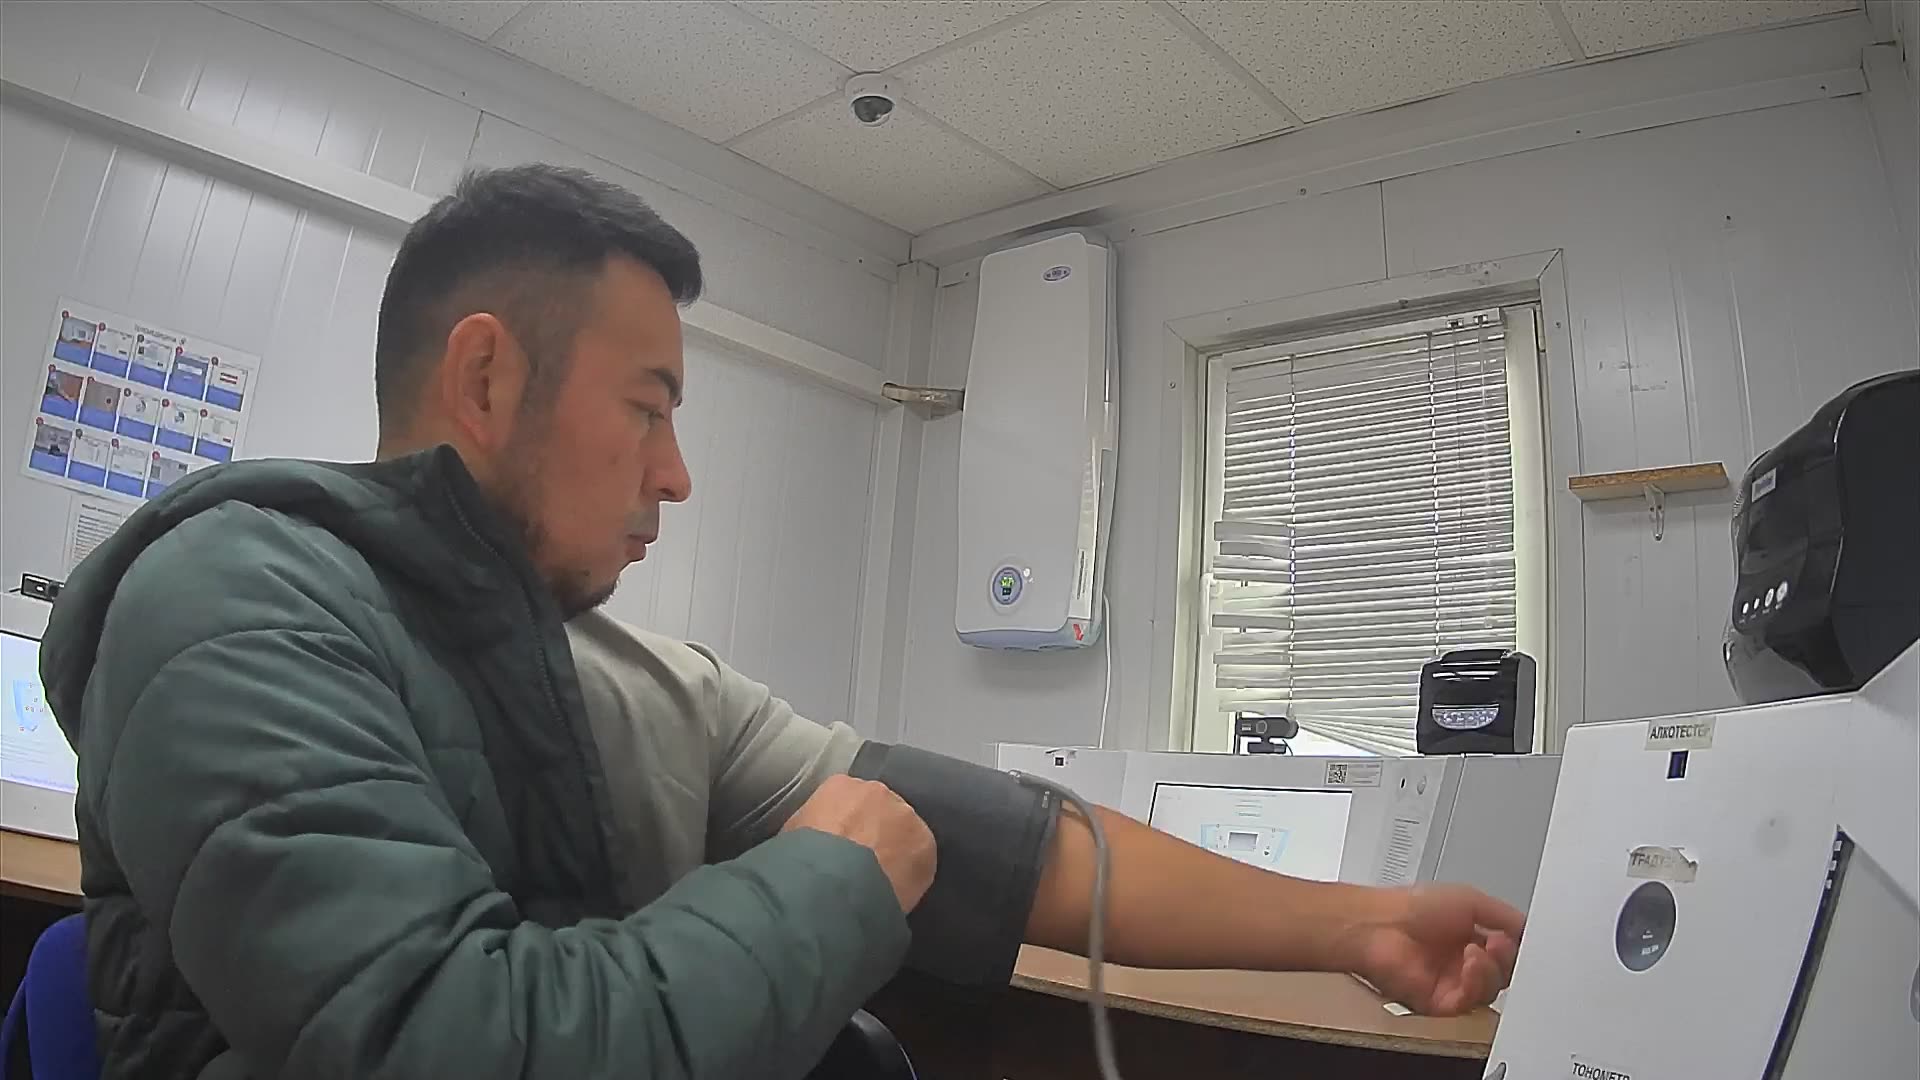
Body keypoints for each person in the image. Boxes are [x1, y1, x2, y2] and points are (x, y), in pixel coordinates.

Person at [41, 164, 1523, 1080]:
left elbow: (997, 848)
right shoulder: (235, 603)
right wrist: (828, 882)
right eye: (649, 409)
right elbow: (443, 1045)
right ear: (486, 380)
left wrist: (1357, 925)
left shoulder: (636, 679)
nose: (677, 475)